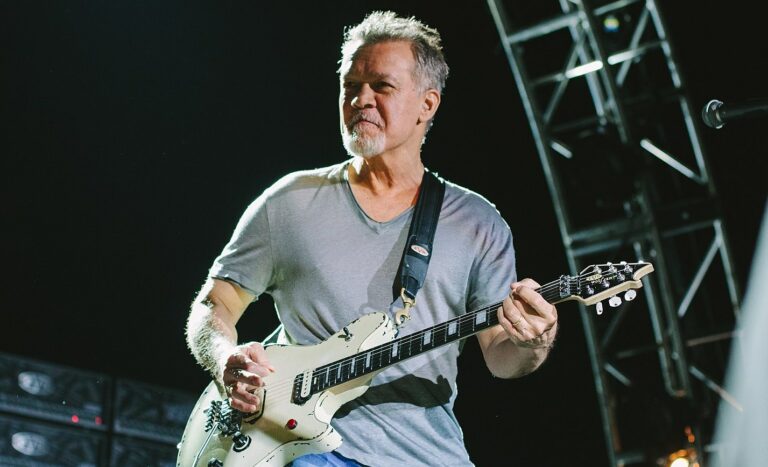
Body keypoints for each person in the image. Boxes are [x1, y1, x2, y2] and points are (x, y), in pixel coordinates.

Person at [185, 11, 558, 467]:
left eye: (382, 86)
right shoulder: (290, 202)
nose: (361, 99)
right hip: (305, 449)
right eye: (350, 86)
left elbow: (501, 357)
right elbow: (215, 305)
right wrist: (224, 358)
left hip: (430, 455)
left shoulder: (478, 223)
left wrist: (533, 341)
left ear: (427, 105)